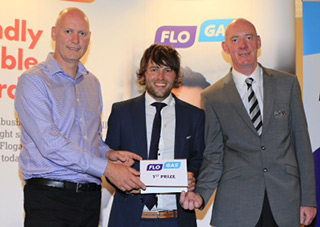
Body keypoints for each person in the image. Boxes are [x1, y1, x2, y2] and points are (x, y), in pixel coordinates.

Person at [180, 18, 317, 227]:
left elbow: (302, 145)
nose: (243, 46)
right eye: (235, 40)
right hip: (236, 205)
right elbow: (214, 155)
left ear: (258, 43)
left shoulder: (287, 84)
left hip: (285, 201)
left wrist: (308, 199)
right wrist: (200, 194)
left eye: (249, 38)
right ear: (226, 48)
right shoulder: (212, 96)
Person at [14, 8, 145, 227]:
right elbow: (50, 144)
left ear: (90, 38)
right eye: (68, 31)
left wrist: (108, 154)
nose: (76, 40)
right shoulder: (33, 81)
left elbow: (90, 140)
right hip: (49, 199)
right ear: (54, 33)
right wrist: (106, 169)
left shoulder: (92, 83)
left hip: (89, 200)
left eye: (82, 34)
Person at [105, 44, 204, 227]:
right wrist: (122, 180)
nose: (160, 77)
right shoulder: (121, 112)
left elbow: (199, 158)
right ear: (143, 74)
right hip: (130, 219)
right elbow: (107, 160)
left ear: (176, 76)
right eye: (154, 69)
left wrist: (191, 176)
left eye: (168, 70)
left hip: (177, 218)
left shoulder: (194, 116)